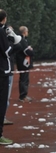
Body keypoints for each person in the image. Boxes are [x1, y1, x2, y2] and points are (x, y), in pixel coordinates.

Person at [0, 9, 13, 145]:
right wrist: (16, 43)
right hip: (2, 71)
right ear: (3, 19)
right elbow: (7, 52)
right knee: (1, 103)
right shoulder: (1, 32)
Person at [15, 26, 33, 103]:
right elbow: (26, 51)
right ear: (24, 32)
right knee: (24, 79)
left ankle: (24, 95)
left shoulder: (22, 40)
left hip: (23, 62)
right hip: (23, 63)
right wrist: (31, 51)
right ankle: (22, 96)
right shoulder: (22, 40)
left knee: (25, 79)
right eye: (27, 31)